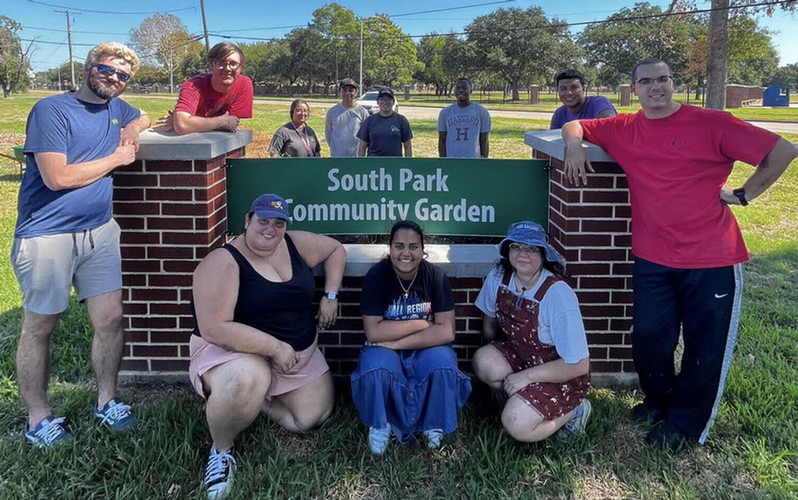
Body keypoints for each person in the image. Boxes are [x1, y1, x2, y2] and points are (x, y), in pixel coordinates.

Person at [562, 57, 797, 450]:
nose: (656, 87)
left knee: (705, 346)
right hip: (653, 257)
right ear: (633, 89)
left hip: (712, 258)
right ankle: (658, 401)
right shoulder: (624, 128)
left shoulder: (712, 123)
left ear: (674, 83)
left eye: (663, 79)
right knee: (650, 337)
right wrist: (572, 144)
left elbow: (783, 150)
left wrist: (743, 194)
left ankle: (687, 425)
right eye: (646, 81)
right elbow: (577, 124)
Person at [12, 41, 151, 447]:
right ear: (90, 67)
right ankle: (38, 419)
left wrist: (134, 125)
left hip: (99, 231)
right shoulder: (51, 110)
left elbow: (144, 114)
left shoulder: (117, 108)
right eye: (108, 70)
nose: (115, 79)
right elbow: (57, 177)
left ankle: (107, 400)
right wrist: (117, 158)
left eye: (124, 76)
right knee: (40, 326)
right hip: (46, 234)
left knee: (109, 318)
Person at [189, 193, 345, 499]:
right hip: (236, 354)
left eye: (278, 223)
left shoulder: (294, 244)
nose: (270, 229)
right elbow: (214, 328)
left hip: (296, 358)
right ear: (247, 221)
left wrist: (330, 296)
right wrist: (274, 347)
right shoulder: (223, 261)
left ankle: (255, 401)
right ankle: (221, 450)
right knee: (248, 377)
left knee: (312, 417)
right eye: (263, 221)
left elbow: (335, 250)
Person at [351, 220, 471, 455]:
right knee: (376, 367)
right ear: (390, 248)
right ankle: (381, 422)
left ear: (422, 249)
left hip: (418, 347)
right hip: (386, 347)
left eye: (413, 247)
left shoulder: (434, 276)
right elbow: (374, 332)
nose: (406, 253)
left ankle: (433, 421)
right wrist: (422, 323)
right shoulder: (377, 276)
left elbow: (446, 331)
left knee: (443, 363)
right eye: (399, 246)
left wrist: (395, 342)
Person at [472, 221, 591, 442]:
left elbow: (579, 365)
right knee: (483, 361)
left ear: (544, 254)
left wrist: (525, 377)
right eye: (516, 247)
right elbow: (489, 321)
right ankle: (528, 401)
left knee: (516, 423)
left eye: (531, 249)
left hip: (561, 374)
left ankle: (576, 410)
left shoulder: (558, 295)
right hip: (522, 356)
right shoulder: (499, 277)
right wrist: (489, 351)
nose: (522, 254)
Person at [158, 42, 253, 135]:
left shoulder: (244, 84)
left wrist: (190, 123)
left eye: (233, 64)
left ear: (241, 68)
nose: (227, 68)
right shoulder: (193, 85)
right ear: (211, 65)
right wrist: (222, 121)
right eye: (221, 63)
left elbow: (232, 123)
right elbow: (182, 125)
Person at [437, 77, 491, 158]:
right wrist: (444, 161)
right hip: (452, 161)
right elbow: (442, 140)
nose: (461, 90)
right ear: (454, 91)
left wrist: (483, 162)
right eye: (458, 88)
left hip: (473, 161)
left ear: (471, 91)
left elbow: (484, 140)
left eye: (464, 88)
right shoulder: (445, 112)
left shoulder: (481, 112)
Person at [549, 69, 616, 130]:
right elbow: (552, 140)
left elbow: (608, 123)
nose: (568, 93)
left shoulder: (599, 102)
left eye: (574, 87)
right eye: (563, 89)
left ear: (583, 88)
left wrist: (573, 128)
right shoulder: (559, 114)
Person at [356, 87, 413, 157]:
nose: (385, 102)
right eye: (382, 100)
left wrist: (407, 164)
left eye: (389, 100)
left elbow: (407, 146)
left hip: (395, 163)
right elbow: (362, 147)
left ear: (393, 102)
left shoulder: (401, 120)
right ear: (377, 102)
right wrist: (362, 165)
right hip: (373, 164)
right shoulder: (369, 121)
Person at [325, 78, 370, 157]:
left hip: (356, 159)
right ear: (340, 92)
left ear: (356, 93)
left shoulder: (362, 112)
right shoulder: (332, 112)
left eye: (351, 90)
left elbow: (366, 136)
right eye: (344, 90)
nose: (347, 93)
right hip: (337, 158)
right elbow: (329, 134)